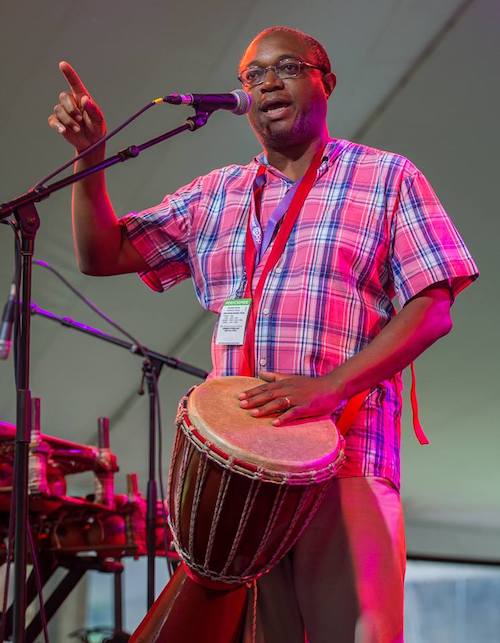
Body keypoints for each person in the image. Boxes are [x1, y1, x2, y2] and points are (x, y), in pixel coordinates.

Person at [49, 26, 478, 643]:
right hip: (242, 480)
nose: (266, 83)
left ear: (324, 81)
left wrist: (330, 387)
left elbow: (434, 306)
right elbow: (102, 252)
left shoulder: (385, 177)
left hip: (346, 462)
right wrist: (90, 158)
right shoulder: (214, 194)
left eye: (286, 68)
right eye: (252, 76)